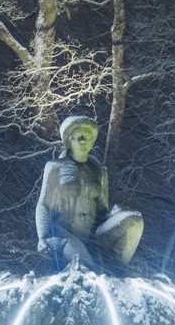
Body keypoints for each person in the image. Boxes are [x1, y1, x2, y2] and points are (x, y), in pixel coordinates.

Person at [35, 115, 142, 271]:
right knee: (86, 268)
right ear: (69, 140)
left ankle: (116, 271)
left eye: (88, 137)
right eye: (79, 136)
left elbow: (101, 211)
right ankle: (101, 270)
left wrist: (115, 213)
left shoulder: (100, 171)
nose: (84, 140)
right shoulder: (55, 167)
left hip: (92, 235)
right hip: (64, 233)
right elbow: (44, 204)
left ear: (93, 141)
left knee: (134, 220)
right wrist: (43, 237)